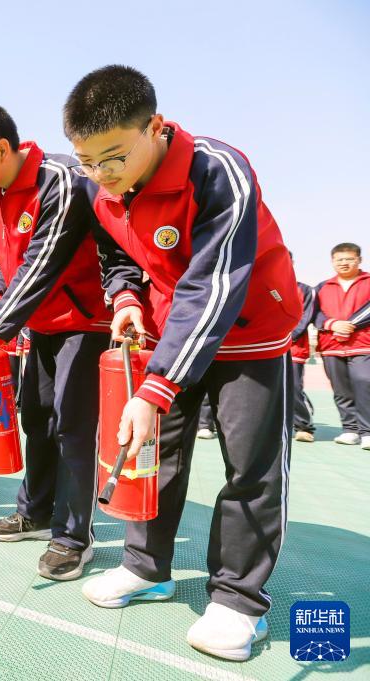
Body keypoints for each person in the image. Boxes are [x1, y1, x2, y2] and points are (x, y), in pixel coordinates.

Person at [62, 65, 300, 661]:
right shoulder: (100, 185)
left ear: (156, 128)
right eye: (87, 162)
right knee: (152, 455)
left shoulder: (220, 171)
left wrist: (156, 387)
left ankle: (238, 599)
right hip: (171, 330)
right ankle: (146, 567)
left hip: (249, 331)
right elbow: (115, 252)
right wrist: (126, 299)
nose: (100, 176)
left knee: (250, 468)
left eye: (112, 157)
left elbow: (213, 285)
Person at [0, 101, 113, 579]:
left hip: (84, 322)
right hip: (40, 324)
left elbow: (41, 265)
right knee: (36, 417)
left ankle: (74, 536)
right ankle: (36, 512)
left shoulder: (60, 180)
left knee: (72, 427)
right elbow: (7, 259)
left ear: (2, 149)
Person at [315, 242, 370, 449]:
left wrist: (351, 325)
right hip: (331, 346)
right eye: (340, 259)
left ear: (359, 260)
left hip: (363, 344)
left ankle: (367, 432)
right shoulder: (322, 286)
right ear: (332, 262)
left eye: (349, 259)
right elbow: (315, 313)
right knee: (341, 390)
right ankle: (350, 430)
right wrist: (332, 324)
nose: (344, 263)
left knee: (365, 383)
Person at [290, 269, 318, 443]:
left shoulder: (306, 290)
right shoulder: (260, 284)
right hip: (262, 347)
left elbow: (305, 318)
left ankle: (303, 426)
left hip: (293, 348)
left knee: (293, 387)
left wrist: (286, 336)